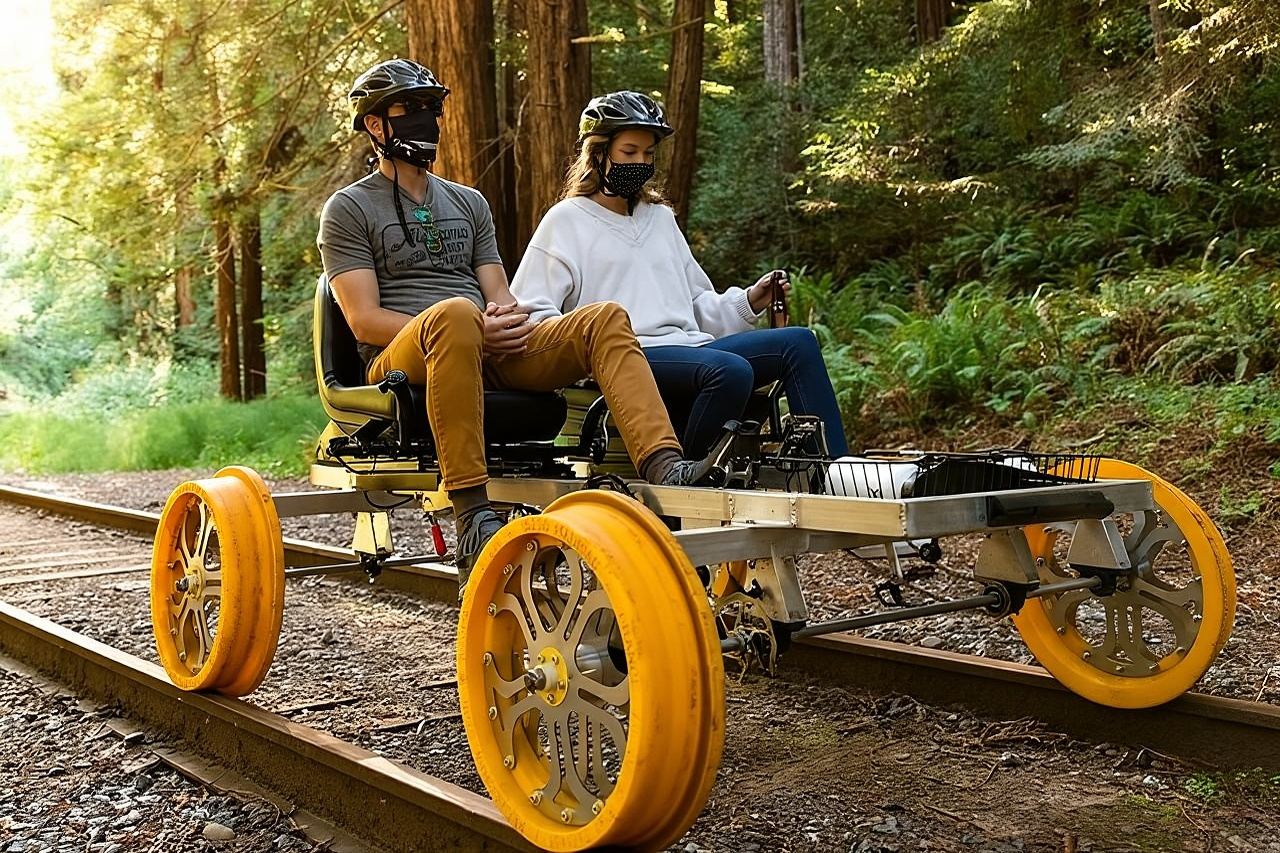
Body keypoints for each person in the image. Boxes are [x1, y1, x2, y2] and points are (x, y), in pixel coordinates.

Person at [317, 62, 714, 591]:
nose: (426, 120)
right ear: (375, 126)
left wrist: (502, 321)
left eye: (431, 110)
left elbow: (501, 297)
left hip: (481, 343)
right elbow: (363, 318)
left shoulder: (468, 203)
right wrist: (470, 326)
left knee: (604, 318)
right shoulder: (348, 208)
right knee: (456, 315)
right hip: (400, 358)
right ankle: (472, 515)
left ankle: (664, 464)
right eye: (408, 111)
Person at [510, 91, 849, 459]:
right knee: (729, 370)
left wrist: (750, 300)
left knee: (798, 342)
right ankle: (685, 474)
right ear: (598, 153)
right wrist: (583, 354)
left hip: (694, 349)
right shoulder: (565, 221)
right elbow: (534, 316)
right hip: (628, 357)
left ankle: (834, 470)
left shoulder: (660, 218)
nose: (641, 161)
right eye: (629, 152)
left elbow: (695, 304)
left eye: (649, 153)